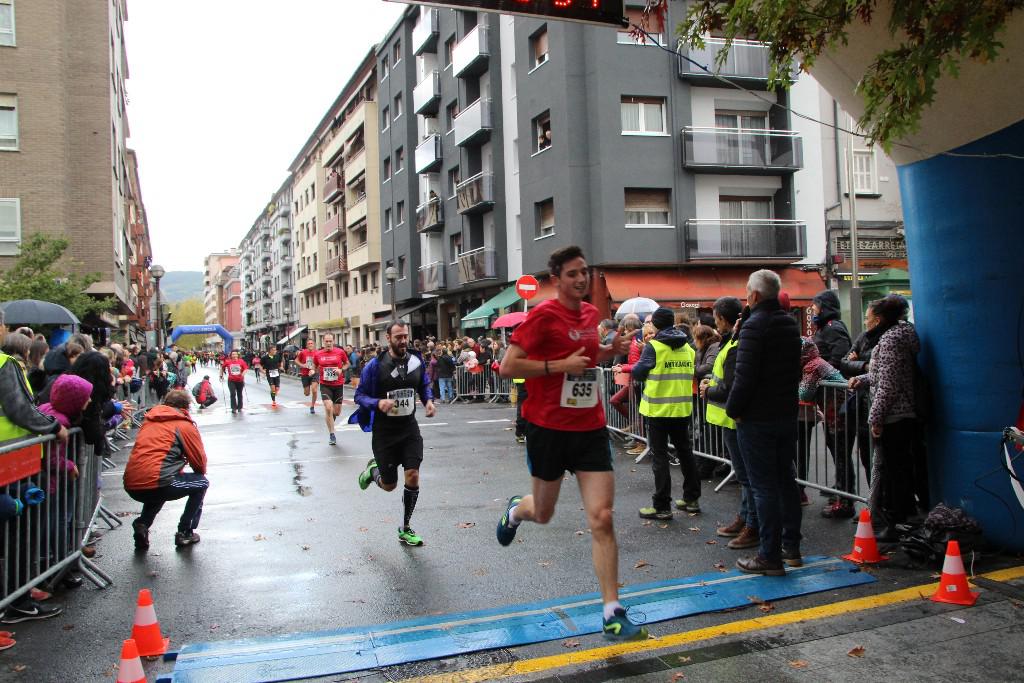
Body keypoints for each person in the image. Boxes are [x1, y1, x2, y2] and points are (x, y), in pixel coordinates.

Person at [495, 245, 646, 642]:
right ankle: (516, 510)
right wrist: (557, 366)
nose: (581, 279)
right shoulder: (543, 315)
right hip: (547, 427)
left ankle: (612, 612)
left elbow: (586, 357)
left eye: (584, 272)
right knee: (543, 513)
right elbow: (508, 366)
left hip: (589, 427)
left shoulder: (592, 314)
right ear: (557, 279)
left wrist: (608, 351)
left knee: (603, 517)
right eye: (573, 273)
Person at [726, 269, 802, 576]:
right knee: (786, 480)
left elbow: (744, 376)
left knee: (763, 487)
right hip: (786, 413)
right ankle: (791, 547)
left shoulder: (755, 326)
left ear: (754, 295)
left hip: (757, 417)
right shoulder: (790, 323)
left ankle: (769, 555)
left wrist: (733, 409)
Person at [0, 332, 67, 624]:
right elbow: (21, 409)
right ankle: (18, 600)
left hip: (11, 462)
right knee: (20, 531)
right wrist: (53, 427)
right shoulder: (4, 363)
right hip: (11, 464)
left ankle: (18, 595)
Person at [352, 322, 436, 546]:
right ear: (388, 338)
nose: (403, 340)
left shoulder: (416, 361)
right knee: (390, 486)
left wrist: (428, 401)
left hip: (409, 429)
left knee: (413, 475)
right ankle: (373, 472)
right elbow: (359, 396)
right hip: (385, 432)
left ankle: (405, 527)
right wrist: (378, 403)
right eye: (398, 337)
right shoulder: (375, 365)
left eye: (405, 336)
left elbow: (423, 385)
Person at [850, 294, 923, 538]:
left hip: (895, 416)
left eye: (868, 318)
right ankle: (896, 518)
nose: (866, 322)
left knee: (895, 472)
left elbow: (888, 385)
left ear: (879, 319)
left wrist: (876, 418)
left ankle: (897, 522)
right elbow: (883, 375)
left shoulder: (891, 340)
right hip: (899, 413)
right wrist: (862, 378)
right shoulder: (899, 336)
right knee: (894, 469)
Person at [700, 296, 759, 550]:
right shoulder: (730, 342)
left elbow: (731, 387)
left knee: (746, 476)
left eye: (716, 319)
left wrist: (708, 390)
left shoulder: (735, 345)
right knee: (744, 475)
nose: (716, 324)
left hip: (734, 419)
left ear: (724, 319)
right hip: (730, 419)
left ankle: (751, 524)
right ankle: (745, 518)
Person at [631, 307, 699, 519]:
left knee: (659, 457)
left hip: (658, 410)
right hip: (681, 409)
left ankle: (662, 506)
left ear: (656, 324)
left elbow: (638, 373)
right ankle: (692, 499)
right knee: (685, 453)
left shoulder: (654, 346)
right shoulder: (688, 347)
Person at [123, 390, 209, 549]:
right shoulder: (183, 425)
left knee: (158, 485)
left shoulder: (149, 421)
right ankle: (185, 532)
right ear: (186, 407)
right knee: (201, 483)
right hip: (159, 481)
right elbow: (199, 462)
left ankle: (142, 524)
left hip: (131, 484)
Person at [312, 333, 350, 445]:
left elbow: (347, 363)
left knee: (336, 412)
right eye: (326, 341)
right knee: (328, 407)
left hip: (338, 384)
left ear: (333, 341)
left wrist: (341, 370)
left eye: (330, 341)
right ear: (323, 341)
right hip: (325, 385)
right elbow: (314, 366)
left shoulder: (340, 352)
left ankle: (330, 419)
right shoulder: (318, 354)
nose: (328, 343)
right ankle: (332, 434)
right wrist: (312, 371)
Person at [219, 350, 248, 414]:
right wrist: (221, 375)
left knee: (239, 394)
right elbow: (222, 368)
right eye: (233, 354)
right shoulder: (228, 361)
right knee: (232, 394)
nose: (234, 355)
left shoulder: (241, 361)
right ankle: (233, 408)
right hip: (231, 380)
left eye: (235, 354)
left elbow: (246, 368)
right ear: (231, 355)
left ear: (237, 355)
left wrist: (243, 374)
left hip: (240, 380)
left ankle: (240, 407)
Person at [296, 339, 320, 414]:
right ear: (306, 345)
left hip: (314, 373)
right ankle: (307, 388)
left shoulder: (317, 353)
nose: (310, 345)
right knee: (307, 393)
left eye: (311, 343)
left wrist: (315, 370)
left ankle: (312, 406)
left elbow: (320, 363)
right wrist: (302, 365)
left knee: (314, 390)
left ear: (314, 345)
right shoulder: (303, 352)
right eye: (309, 343)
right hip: (305, 374)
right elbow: (296, 360)